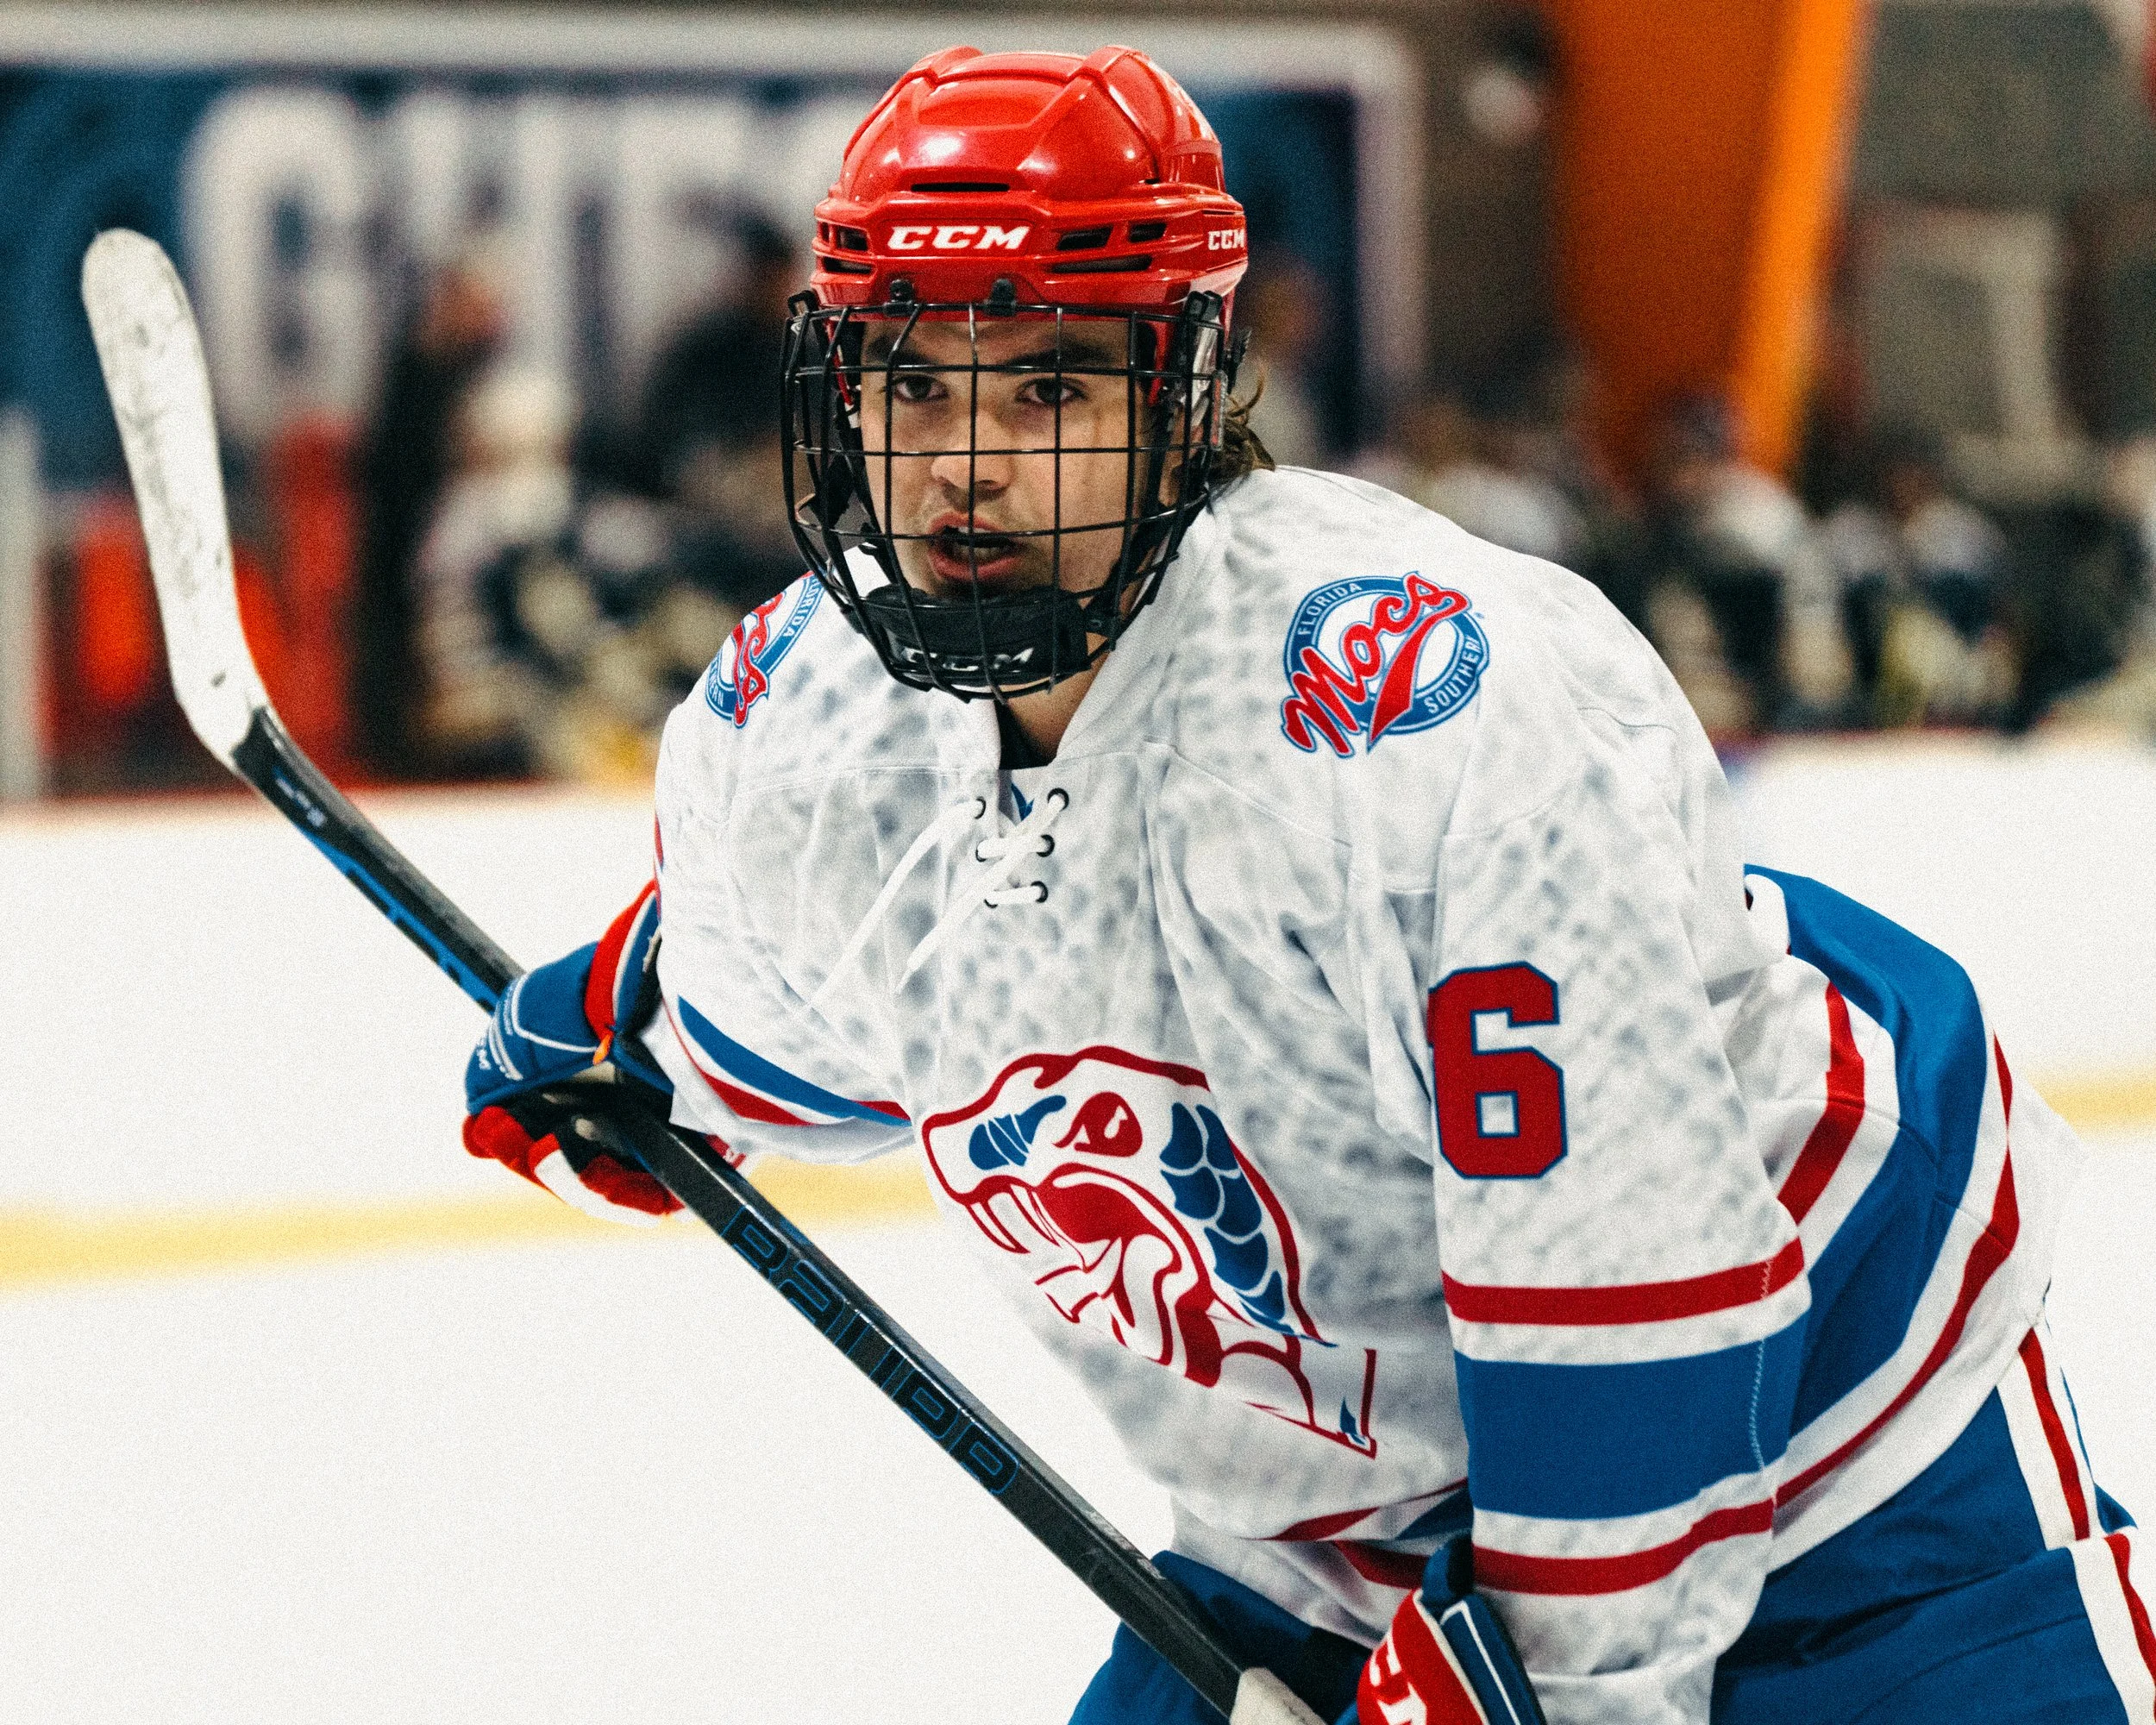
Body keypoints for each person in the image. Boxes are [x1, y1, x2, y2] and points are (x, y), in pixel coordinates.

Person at [456, 46, 2152, 1725]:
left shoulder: (1408, 705)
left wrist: (1553, 1684)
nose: (963, 463)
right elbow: (818, 996)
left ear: (1184, 398)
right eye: (911, 384)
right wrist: (638, 1027)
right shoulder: (804, 729)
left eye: (1045, 386)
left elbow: (1624, 1268)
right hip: (1341, 1536)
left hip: (1827, 1450)